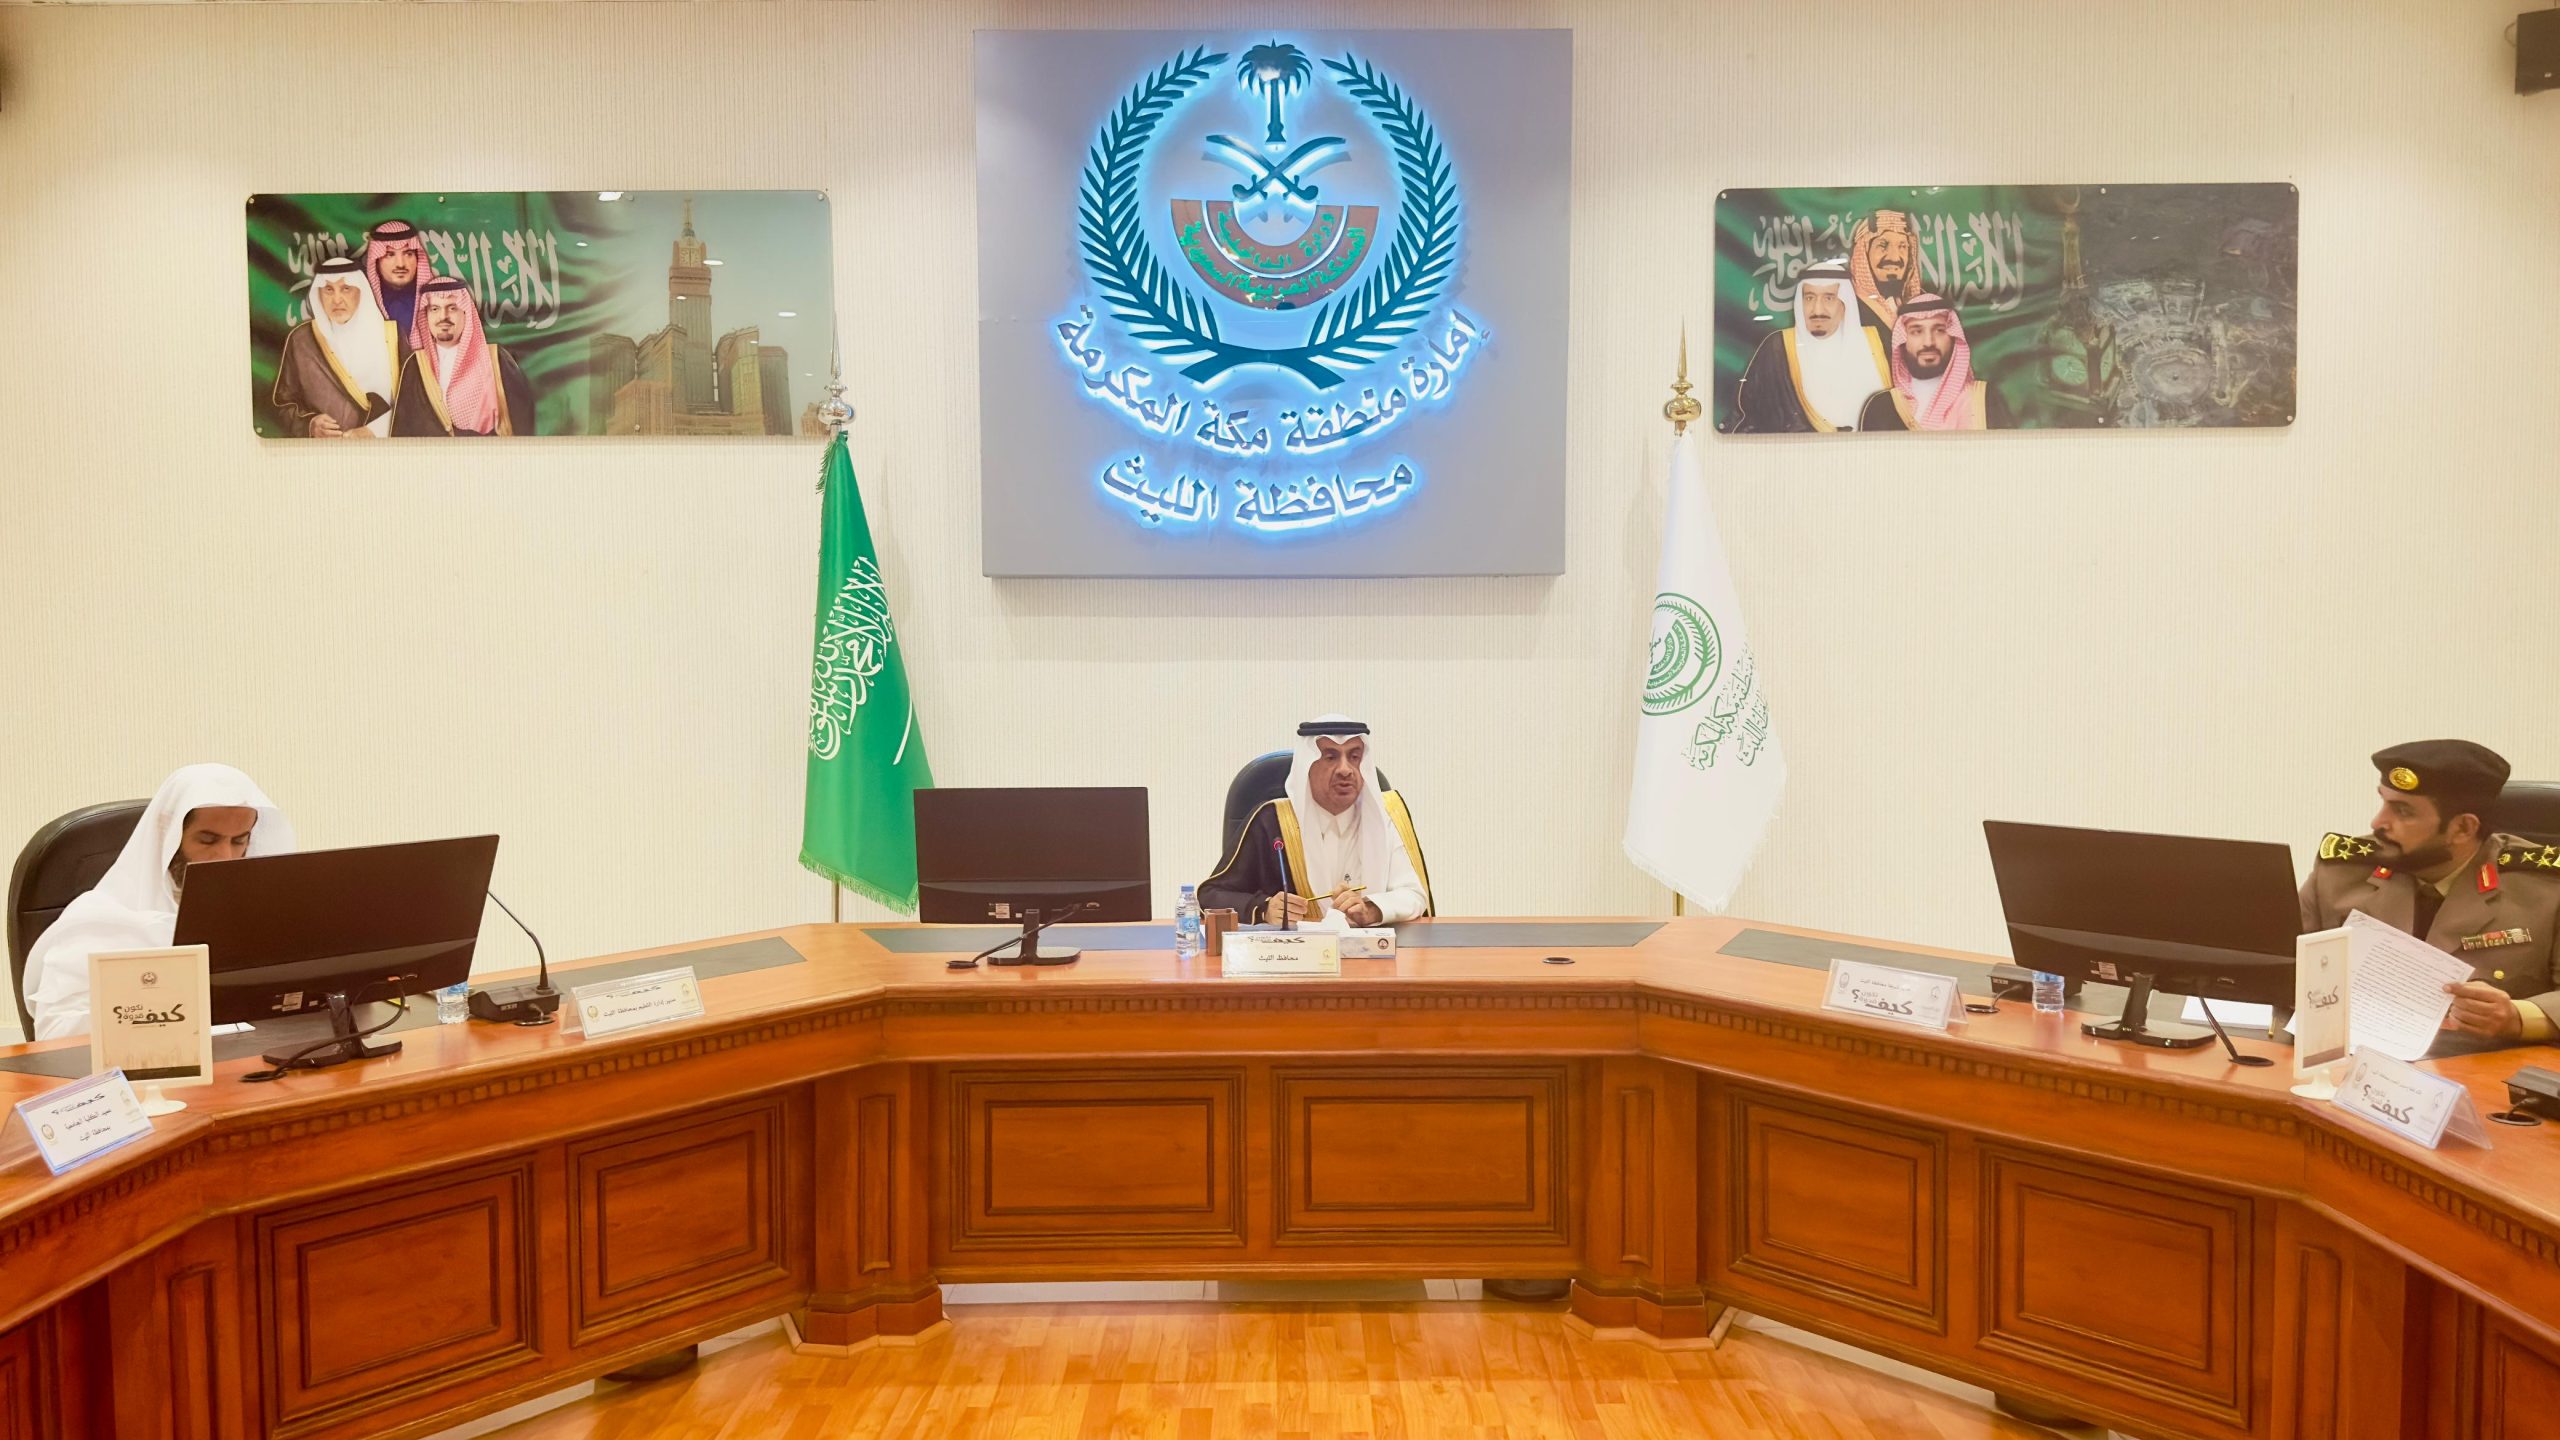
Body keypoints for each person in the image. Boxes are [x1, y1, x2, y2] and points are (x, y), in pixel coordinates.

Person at [2300, 740, 2560, 1053]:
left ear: (2463, 828)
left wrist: (2518, 1018)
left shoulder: (2545, 888)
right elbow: (2284, 967)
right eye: (2383, 802)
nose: (2378, 823)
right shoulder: (2342, 872)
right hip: (2353, 1058)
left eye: (2403, 811)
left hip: (2481, 1065)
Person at [22, 764, 296, 1041]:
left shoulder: (253, 916)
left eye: (238, 841)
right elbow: (54, 1034)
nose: (225, 856)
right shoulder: (99, 920)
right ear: (169, 832)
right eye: (207, 840)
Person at [1199, 717, 1432, 926]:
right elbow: (1211, 895)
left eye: (1354, 757)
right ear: (1307, 766)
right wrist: (1264, 908)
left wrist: (1372, 909)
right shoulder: (1272, 822)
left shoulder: (1385, 818)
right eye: (1331, 757)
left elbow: (1414, 895)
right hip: (1293, 955)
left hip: (1372, 953)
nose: (1345, 770)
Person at [1730, 258, 1890, 433]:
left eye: (1829, 298)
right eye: (1809, 298)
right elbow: (1751, 418)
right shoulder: (1778, 348)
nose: (1817, 310)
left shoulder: (1876, 343)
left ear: (1845, 304)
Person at [391, 278, 536, 437]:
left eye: (452, 308)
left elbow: (522, 423)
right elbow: (403, 431)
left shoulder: (496, 359)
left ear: (466, 312)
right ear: (425, 315)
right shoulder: (415, 365)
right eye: (434, 309)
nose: (443, 316)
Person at [271, 257, 398, 438]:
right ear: (318, 294)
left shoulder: (392, 337)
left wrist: (374, 431)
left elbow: (414, 403)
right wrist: (309, 425)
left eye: (346, 289)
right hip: (323, 451)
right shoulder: (301, 340)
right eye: (328, 290)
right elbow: (281, 406)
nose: (337, 300)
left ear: (361, 291)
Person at [1857, 294, 2004, 431]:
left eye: (1939, 330)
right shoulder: (1881, 406)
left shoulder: (1984, 399)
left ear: (1954, 337)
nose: (1928, 342)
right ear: (1902, 340)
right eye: (1916, 331)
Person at [1848, 209, 1922, 332]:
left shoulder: (1923, 304)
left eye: (1902, 246)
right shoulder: (1850, 306)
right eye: (1882, 245)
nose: (1894, 257)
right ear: (1864, 254)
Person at [363, 219, 434, 344]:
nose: (400, 264)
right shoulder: (363, 304)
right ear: (376, 261)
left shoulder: (436, 302)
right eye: (390, 255)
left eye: (408, 254)